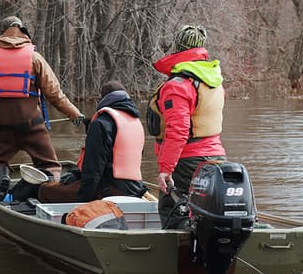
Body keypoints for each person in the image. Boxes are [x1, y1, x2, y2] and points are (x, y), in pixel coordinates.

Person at [0, 16, 84, 200]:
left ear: (2, 33)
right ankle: (49, 189)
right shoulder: (35, 58)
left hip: (1, 128)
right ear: (22, 30)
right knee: (49, 166)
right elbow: (55, 94)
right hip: (32, 125)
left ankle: (3, 177)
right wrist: (75, 115)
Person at [146, 25, 226, 229]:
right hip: (216, 159)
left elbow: (178, 131)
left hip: (187, 162)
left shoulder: (177, 86)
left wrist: (166, 169)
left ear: (177, 47)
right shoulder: (214, 80)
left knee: (171, 210)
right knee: (205, 215)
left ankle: (178, 259)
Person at [38, 80, 148, 203]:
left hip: (109, 191)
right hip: (134, 190)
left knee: (45, 190)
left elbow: (93, 169)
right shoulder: (136, 122)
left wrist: (84, 201)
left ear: (103, 98)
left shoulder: (100, 123)